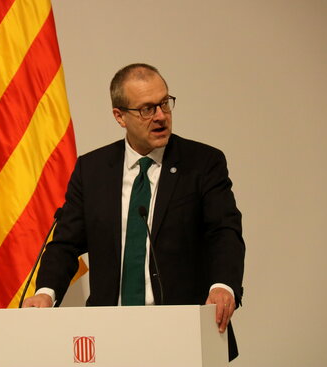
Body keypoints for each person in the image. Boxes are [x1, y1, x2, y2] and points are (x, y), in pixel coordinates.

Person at [23, 63, 245, 361]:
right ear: (120, 116)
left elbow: (224, 232)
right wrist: (46, 293)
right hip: (108, 336)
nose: (161, 117)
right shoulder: (93, 170)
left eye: (165, 103)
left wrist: (223, 286)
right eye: (147, 109)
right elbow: (65, 243)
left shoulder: (202, 164)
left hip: (183, 332)